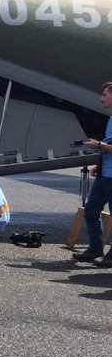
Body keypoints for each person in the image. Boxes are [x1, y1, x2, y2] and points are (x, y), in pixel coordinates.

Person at [75, 81, 112, 266]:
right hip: (105, 174)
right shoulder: (111, 119)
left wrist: (98, 144)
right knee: (91, 210)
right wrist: (99, 164)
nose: (101, 98)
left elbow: (107, 146)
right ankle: (95, 248)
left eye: (105, 94)